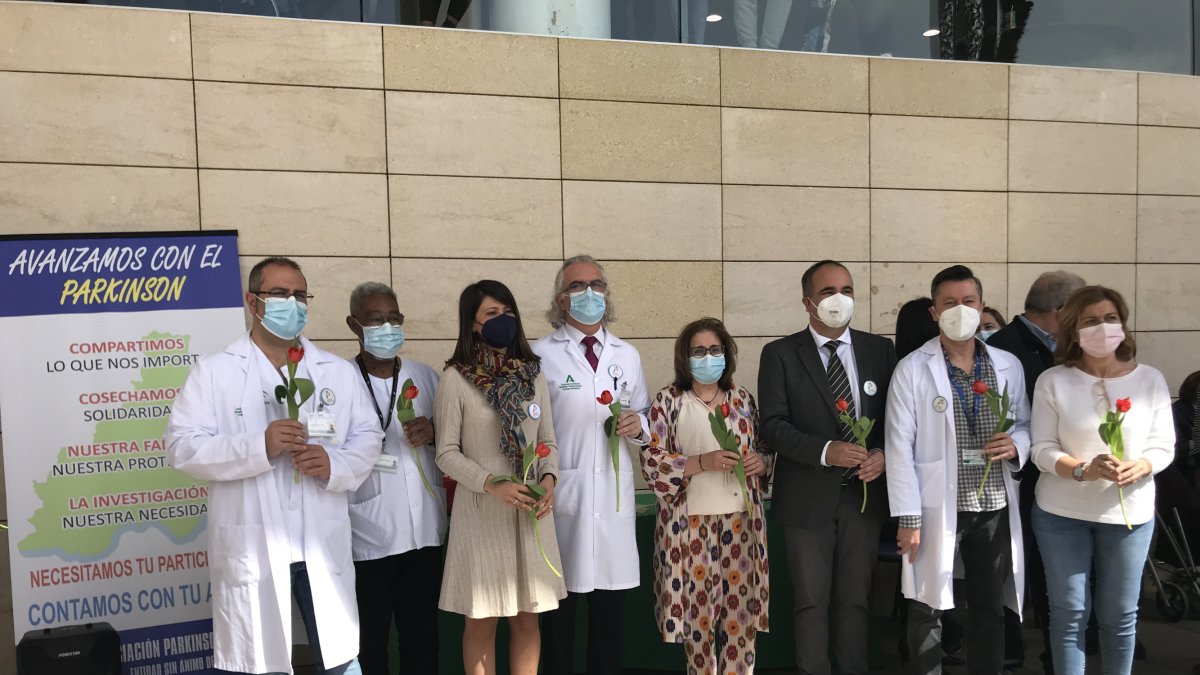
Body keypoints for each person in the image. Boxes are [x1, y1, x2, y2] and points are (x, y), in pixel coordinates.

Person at [166, 257, 383, 675]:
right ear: (253, 301)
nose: (293, 303)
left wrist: (334, 463)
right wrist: (258, 446)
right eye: (280, 294)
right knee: (257, 659)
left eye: (300, 294)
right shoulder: (214, 372)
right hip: (253, 543)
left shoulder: (334, 372)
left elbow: (369, 437)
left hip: (318, 541)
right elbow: (181, 447)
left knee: (338, 660)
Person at [885, 264, 1031, 675]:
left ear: (982, 305)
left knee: (988, 607)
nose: (960, 310)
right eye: (949, 303)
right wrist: (909, 519)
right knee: (927, 605)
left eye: (968, 302)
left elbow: (1026, 425)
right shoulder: (913, 369)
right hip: (934, 507)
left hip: (993, 504)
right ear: (934, 312)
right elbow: (898, 447)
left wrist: (1016, 443)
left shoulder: (1007, 365)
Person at [758, 260, 896, 675]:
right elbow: (774, 426)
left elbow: (897, 419)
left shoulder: (880, 350)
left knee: (856, 599)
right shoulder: (780, 354)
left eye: (847, 290)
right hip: (806, 497)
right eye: (828, 292)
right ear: (807, 302)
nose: (840, 299)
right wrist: (825, 450)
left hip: (863, 497)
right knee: (811, 601)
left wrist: (884, 454)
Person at [1029, 285, 1175, 675]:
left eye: (1111, 319)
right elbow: (1040, 449)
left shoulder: (1150, 380)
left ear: (1123, 325)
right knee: (1069, 611)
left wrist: (1142, 466)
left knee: (1120, 615)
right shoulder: (1053, 381)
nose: (1103, 328)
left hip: (1128, 517)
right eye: (1091, 321)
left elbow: (1164, 445)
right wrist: (1081, 469)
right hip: (1060, 513)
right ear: (1073, 329)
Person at [434, 280, 566, 675]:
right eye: (491, 314)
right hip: (483, 514)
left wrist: (549, 482)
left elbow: (549, 442)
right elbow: (445, 453)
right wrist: (491, 482)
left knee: (528, 617)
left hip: (529, 516)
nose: (502, 320)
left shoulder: (532, 376)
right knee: (482, 619)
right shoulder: (455, 380)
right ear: (472, 324)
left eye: (507, 312)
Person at [533, 256, 650, 675]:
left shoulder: (628, 355)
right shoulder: (539, 354)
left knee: (609, 619)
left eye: (597, 284)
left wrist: (639, 425)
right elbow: (530, 429)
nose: (589, 293)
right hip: (563, 498)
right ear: (562, 299)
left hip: (613, 502)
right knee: (558, 619)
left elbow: (645, 418)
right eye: (578, 286)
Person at [642, 317, 771, 675]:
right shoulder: (669, 401)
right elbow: (652, 460)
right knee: (698, 622)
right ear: (685, 357)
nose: (707, 357)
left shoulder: (742, 399)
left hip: (741, 524)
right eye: (698, 351)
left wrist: (761, 462)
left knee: (740, 619)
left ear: (726, 354)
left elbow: (764, 449)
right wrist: (702, 462)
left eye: (715, 350)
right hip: (690, 528)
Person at [344, 282, 445, 675]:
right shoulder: (339, 380)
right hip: (366, 536)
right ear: (354, 325)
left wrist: (435, 430)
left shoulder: (426, 376)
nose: (387, 327)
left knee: (422, 640)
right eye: (375, 320)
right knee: (369, 644)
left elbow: (456, 438)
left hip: (423, 534)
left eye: (394, 319)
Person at [988, 269, 1086, 675]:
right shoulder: (1003, 349)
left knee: (1055, 577)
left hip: (1066, 482)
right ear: (1062, 310)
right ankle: (1012, 649)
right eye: (1082, 312)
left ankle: (1057, 652)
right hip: (1017, 481)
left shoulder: (1070, 349)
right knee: (1011, 569)